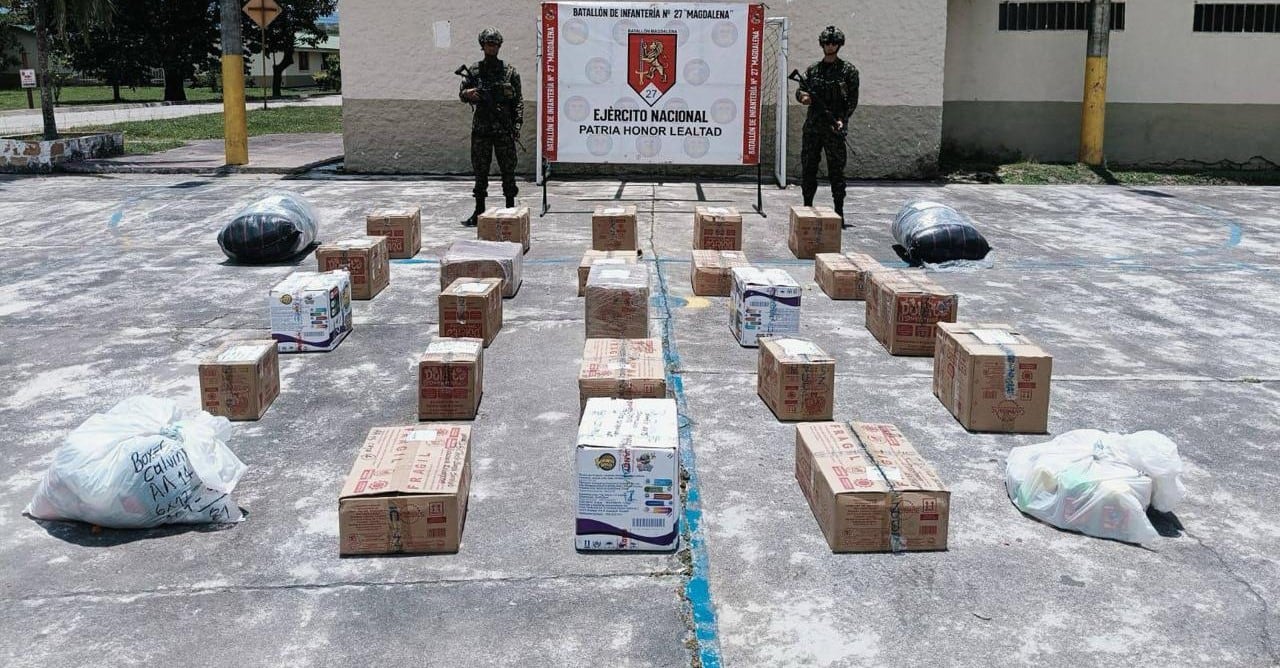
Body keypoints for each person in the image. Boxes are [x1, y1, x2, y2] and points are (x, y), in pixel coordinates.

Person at [796, 26, 859, 228]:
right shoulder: (813, 70)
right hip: (813, 127)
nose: (829, 46)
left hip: (834, 128)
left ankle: (838, 211)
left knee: (836, 172)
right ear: (821, 44)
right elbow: (801, 90)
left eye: (833, 43)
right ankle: (806, 208)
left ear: (839, 45)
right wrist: (803, 97)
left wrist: (842, 119)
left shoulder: (848, 71)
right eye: (826, 42)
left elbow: (852, 100)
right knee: (808, 168)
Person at [459, 28, 523, 227]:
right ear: (482, 45)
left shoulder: (510, 72)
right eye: (488, 44)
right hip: (482, 130)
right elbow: (462, 93)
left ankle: (510, 209)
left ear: (499, 46)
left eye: (495, 44)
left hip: (504, 129)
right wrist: (469, 93)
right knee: (480, 171)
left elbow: (518, 101)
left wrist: (517, 124)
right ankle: (479, 210)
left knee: (508, 171)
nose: (491, 47)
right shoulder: (474, 71)